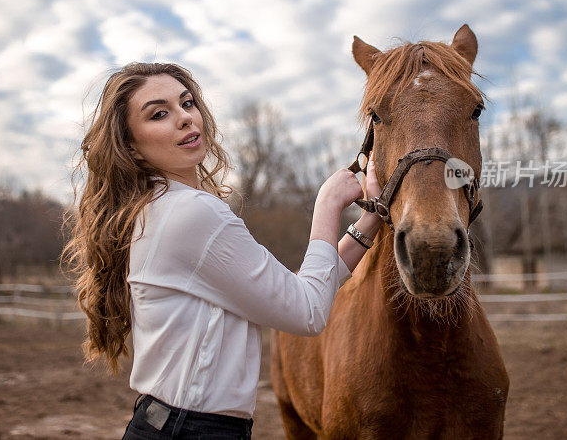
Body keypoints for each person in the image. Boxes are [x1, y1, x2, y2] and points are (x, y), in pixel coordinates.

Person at [62, 62, 382, 439]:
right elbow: (306, 311)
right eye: (159, 114)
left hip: (171, 425)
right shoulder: (192, 213)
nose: (184, 117)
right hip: (191, 431)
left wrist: (369, 222)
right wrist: (328, 204)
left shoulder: (158, 209)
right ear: (130, 146)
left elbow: (297, 291)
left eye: (187, 103)